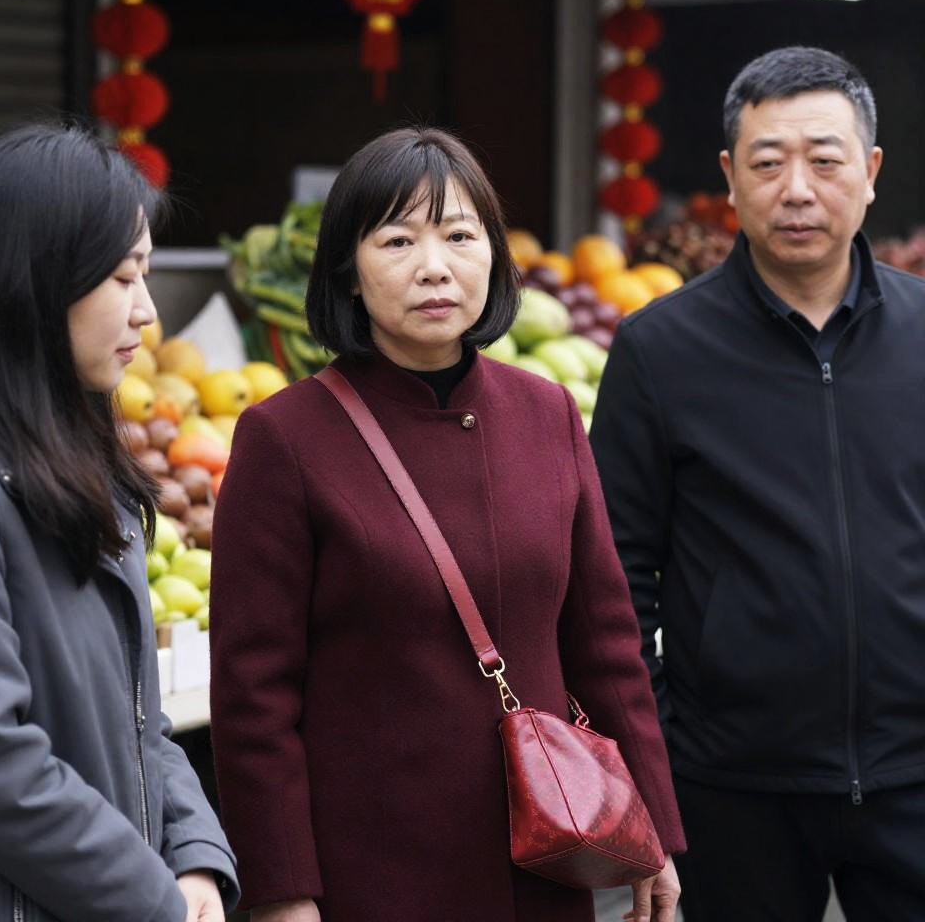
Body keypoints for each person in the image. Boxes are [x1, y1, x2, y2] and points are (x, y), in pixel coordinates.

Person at [209, 125, 684, 922]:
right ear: (348, 270)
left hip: (545, 865)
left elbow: (605, 643)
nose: (434, 266)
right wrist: (282, 890)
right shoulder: (285, 438)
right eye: (397, 241)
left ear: (493, 255)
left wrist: (654, 827)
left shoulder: (546, 413)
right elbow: (253, 697)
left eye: (459, 236)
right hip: (374, 876)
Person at [590, 46, 925, 921]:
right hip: (730, 787)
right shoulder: (660, 350)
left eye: (826, 160)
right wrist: (660, 754)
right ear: (730, 177)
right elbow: (615, 579)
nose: (798, 189)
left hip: (914, 774)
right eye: (769, 163)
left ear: (871, 172)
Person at [0, 123, 241, 922]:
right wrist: (152, 897)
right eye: (122, 278)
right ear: (34, 281)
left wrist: (194, 855)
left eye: (146, 275)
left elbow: (138, 718)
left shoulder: (77, 453)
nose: (147, 312)